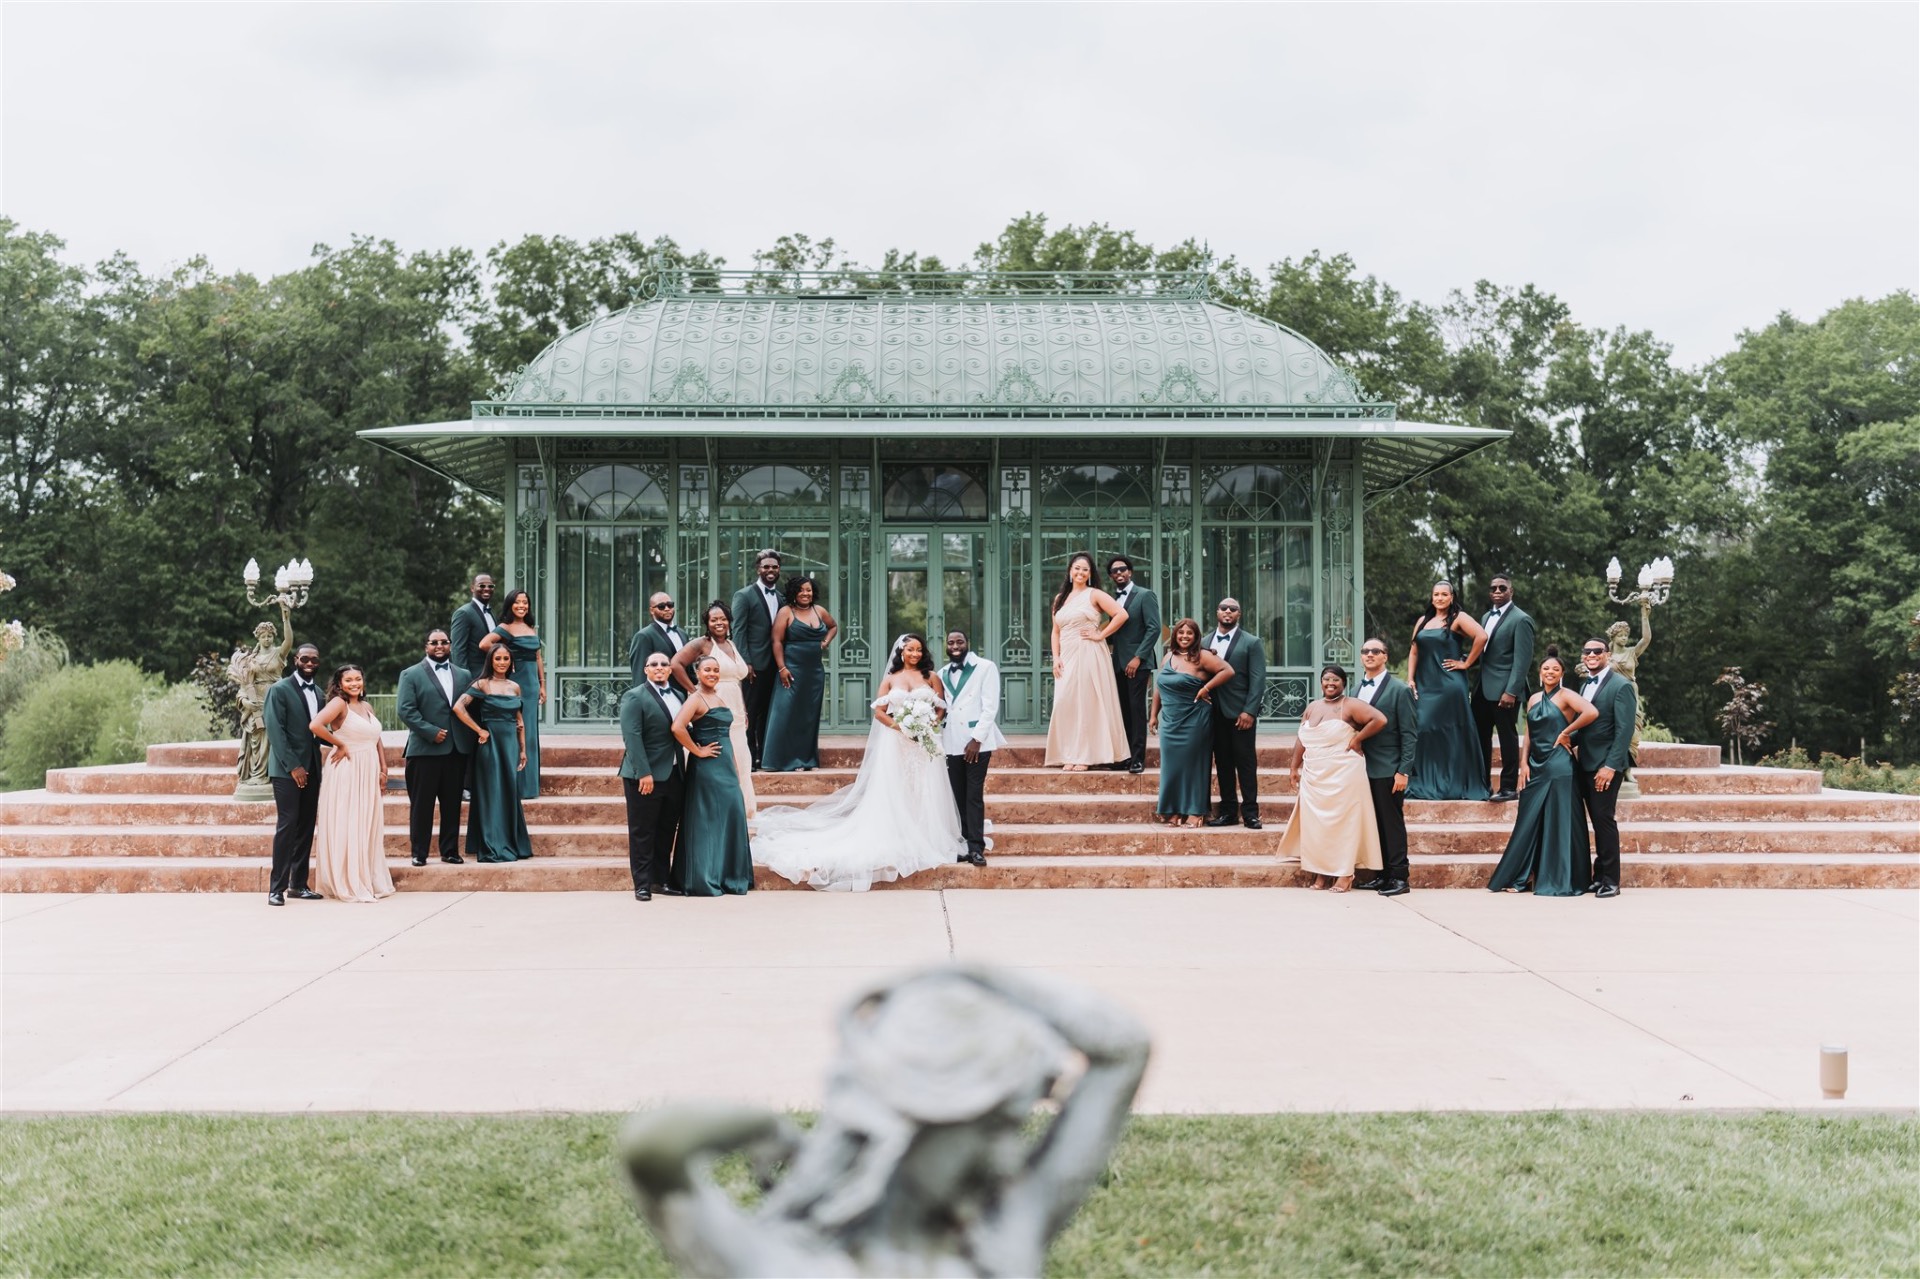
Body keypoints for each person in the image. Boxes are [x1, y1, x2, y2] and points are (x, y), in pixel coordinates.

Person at [620, 966, 1150, 1279]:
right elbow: (653, 1150)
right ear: (909, 1125)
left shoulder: (1000, 1240)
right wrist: (765, 1128)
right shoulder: (794, 1264)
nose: (1009, 1155)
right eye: (991, 1131)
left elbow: (1125, 1048)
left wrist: (966, 972)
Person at [755, 635, 968, 890]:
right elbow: (879, 711)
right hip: (897, 742)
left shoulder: (931, 676)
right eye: (910, 649)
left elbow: (941, 707)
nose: (915, 654)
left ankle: (927, 833)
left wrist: (929, 724)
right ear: (901, 652)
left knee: (924, 787)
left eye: (919, 650)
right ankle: (899, 832)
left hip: (923, 744)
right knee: (897, 787)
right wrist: (899, 726)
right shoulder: (891, 679)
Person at [1488, 649, 1599, 896]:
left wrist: (1567, 731)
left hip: (1560, 765)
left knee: (1561, 820)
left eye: (1555, 670)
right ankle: (1522, 876)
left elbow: (1591, 712)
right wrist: (1523, 763)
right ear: (1540, 673)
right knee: (1528, 820)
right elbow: (1528, 732)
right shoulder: (1533, 699)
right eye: (1546, 669)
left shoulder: (1567, 695)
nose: (1550, 672)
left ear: (1562, 674)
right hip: (1535, 766)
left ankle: (1563, 878)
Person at [1277, 665, 1386, 891]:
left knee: (1342, 824)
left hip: (1344, 773)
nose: (1330, 683)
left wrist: (1357, 740)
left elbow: (1379, 720)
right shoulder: (1312, 707)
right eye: (1326, 679)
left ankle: (1345, 874)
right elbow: (1301, 738)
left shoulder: (1350, 705)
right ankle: (1322, 873)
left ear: (1343, 683)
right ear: (1321, 682)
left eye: (1335, 680)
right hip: (1314, 774)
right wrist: (1293, 766)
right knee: (1317, 826)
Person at [307, 664, 395, 902]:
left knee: (367, 822)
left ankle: (367, 875)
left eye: (358, 679)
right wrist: (341, 744)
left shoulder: (366, 706)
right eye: (349, 680)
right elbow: (315, 725)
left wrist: (384, 767)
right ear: (340, 684)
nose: (355, 684)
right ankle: (348, 879)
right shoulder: (338, 704)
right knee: (350, 821)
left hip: (369, 768)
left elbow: (374, 737)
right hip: (347, 768)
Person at [669, 654, 754, 896]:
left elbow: (726, 738)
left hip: (726, 766)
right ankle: (704, 876)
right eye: (707, 669)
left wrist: (736, 767)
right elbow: (677, 727)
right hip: (708, 769)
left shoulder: (717, 696)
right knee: (708, 819)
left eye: (716, 670)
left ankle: (729, 874)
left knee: (733, 813)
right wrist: (697, 750)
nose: (712, 674)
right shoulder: (695, 699)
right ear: (697, 672)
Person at [1043, 551, 1129, 772]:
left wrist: (1101, 635)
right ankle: (1069, 753)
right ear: (1070, 571)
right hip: (1067, 655)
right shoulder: (1059, 599)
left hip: (1088, 652)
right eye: (1077, 568)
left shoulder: (1095, 594)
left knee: (1086, 704)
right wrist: (1056, 657)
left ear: (1090, 574)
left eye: (1085, 569)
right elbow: (1055, 632)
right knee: (1066, 703)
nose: (1080, 572)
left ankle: (1085, 756)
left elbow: (1121, 615)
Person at [670, 602, 758, 817]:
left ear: (729, 621)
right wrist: (694, 691)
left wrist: (744, 710)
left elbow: (736, 681)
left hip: (735, 709)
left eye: (723, 619)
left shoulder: (731, 643)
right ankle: (715, 811)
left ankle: (742, 812)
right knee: (721, 761)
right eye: (714, 620)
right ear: (707, 624)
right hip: (712, 708)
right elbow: (675, 664)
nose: (719, 623)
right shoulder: (703, 644)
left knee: (742, 761)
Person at [1405, 581, 1491, 801]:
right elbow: (1414, 651)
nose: (1440, 598)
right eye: (1436, 594)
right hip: (1425, 683)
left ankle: (1452, 781)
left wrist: (1466, 663)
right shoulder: (1423, 621)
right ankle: (1424, 780)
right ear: (1432, 597)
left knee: (1449, 730)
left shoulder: (1458, 618)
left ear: (1452, 597)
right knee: (1423, 727)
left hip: (1449, 684)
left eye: (1444, 594)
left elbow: (1481, 636)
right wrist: (1410, 678)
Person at [396, 629, 469, 867]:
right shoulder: (410, 674)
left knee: (452, 805)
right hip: (424, 751)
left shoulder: (464, 674)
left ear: (450, 645)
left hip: (456, 750)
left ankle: (449, 850)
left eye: (444, 642)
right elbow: (406, 710)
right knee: (422, 805)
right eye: (434, 642)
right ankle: (419, 852)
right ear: (426, 646)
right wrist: (430, 732)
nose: (440, 646)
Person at [454, 645, 534, 863]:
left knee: (509, 790)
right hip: (490, 744)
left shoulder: (515, 687)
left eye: (506, 658)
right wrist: (479, 729)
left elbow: (519, 720)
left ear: (510, 661)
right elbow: (458, 708)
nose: (502, 662)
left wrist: (523, 749)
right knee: (491, 793)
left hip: (510, 745)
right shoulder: (482, 684)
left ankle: (512, 842)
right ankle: (493, 845)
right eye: (497, 658)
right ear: (491, 660)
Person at [1149, 619, 1232, 827]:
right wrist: (1153, 716)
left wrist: (1206, 688)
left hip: (1195, 719)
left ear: (1196, 637)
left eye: (1190, 633)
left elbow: (1228, 671)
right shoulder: (1168, 656)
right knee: (1172, 767)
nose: (1185, 636)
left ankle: (1196, 811)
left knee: (1195, 766)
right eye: (1180, 633)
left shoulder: (1202, 656)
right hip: (1169, 721)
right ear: (1175, 635)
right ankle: (1174, 810)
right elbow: (1159, 688)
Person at [1351, 637, 1417, 896]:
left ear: (1385, 656)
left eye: (1375, 651)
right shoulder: (1356, 689)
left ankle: (1400, 877)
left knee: (1391, 823)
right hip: (1361, 769)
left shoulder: (1400, 690)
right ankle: (1382, 875)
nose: (1369, 655)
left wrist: (1403, 771)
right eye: (1365, 651)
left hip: (1389, 769)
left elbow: (1410, 734)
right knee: (1374, 824)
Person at [263, 644, 326, 906]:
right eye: (304, 659)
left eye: (314, 659)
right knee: (288, 826)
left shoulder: (320, 693)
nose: (309, 663)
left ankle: (298, 885)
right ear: (295, 660)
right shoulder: (279, 690)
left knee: (306, 826)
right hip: (286, 770)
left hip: (313, 768)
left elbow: (319, 732)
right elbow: (275, 731)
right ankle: (275, 889)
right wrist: (293, 766)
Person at [1574, 635, 1637, 899]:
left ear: (1607, 655)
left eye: (1597, 651)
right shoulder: (1583, 686)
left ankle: (1611, 880)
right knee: (1596, 821)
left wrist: (1611, 766)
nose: (1591, 655)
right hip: (1585, 763)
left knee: (1604, 820)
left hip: (1605, 766)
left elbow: (1624, 731)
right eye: (1587, 651)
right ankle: (1598, 876)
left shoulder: (1621, 686)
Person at [620, 652, 685, 902]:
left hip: (674, 773)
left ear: (670, 670)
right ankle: (642, 884)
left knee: (666, 830)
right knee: (642, 831)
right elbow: (632, 737)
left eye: (664, 664)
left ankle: (661, 880)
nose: (659, 668)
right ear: (646, 669)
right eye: (654, 664)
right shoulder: (634, 696)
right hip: (644, 775)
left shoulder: (679, 696)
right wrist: (643, 773)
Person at [942, 630, 1006, 867]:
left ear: (968, 643)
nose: (955, 645)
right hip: (951, 742)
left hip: (975, 743)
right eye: (950, 642)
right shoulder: (942, 673)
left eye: (959, 641)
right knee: (957, 796)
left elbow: (990, 707)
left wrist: (976, 739)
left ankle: (976, 847)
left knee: (973, 795)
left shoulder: (985, 668)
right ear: (946, 646)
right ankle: (962, 846)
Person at [761, 576, 838, 772]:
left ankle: (806, 760)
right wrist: (782, 668)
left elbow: (834, 626)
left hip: (814, 673)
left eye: (809, 590)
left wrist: (825, 642)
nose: (806, 593)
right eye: (801, 590)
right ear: (794, 592)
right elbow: (776, 641)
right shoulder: (786, 612)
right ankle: (778, 761)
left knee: (808, 717)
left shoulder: (819, 611)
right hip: (792, 670)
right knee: (785, 715)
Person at [1204, 598, 1268, 829]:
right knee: (1222, 763)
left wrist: (1249, 711)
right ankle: (1228, 811)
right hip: (1212, 713)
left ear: (1239, 614)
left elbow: (1258, 679)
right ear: (1217, 612)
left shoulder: (1252, 642)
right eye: (1224, 608)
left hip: (1240, 713)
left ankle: (1250, 812)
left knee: (1246, 763)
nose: (1228, 611)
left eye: (1233, 609)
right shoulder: (1204, 641)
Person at [1473, 574, 1536, 802]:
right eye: (1493, 588)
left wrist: (1511, 691)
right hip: (1482, 688)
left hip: (1505, 691)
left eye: (1502, 588)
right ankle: (1482, 785)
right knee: (1480, 737)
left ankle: (1509, 787)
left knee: (1507, 737)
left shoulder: (1521, 620)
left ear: (1511, 591)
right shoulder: (1484, 617)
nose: (1497, 591)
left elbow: (1522, 660)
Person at [478, 589, 544, 799]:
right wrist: (507, 657)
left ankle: (529, 786)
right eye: (517, 602)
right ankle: (513, 785)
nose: (522, 606)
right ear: (510, 605)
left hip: (532, 685)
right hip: (514, 683)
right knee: (515, 730)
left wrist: (543, 684)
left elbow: (538, 657)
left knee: (530, 733)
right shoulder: (505, 628)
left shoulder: (530, 628)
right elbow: (484, 644)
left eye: (525, 602)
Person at [1104, 555, 1161, 775]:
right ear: (1111, 576)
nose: (1119, 573)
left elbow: (1154, 628)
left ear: (1130, 572)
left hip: (1138, 663)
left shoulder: (1145, 596)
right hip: (1118, 663)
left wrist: (1138, 657)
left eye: (1123, 569)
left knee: (1137, 711)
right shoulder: (1111, 600)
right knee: (1123, 711)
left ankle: (1138, 759)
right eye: (1114, 571)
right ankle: (1124, 757)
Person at [729, 549, 784, 769]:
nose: (770, 570)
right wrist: (745, 663)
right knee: (750, 712)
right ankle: (749, 758)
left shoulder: (781, 598)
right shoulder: (744, 595)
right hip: (754, 665)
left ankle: (765, 756)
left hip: (775, 665)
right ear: (758, 569)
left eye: (774, 567)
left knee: (768, 714)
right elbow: (738, 631)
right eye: (766, 566)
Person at [627, 592, 686, 688]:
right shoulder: (644, 636)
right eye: (661, 606)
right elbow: (640, 676)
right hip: (658, 697)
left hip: (683, 697)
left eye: (670, 605)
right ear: (651, 610)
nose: (667, 609)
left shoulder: (683, 634)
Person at [448, 573, 496, 680]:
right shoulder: (463, 613)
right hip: (474, 679)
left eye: (490, 586)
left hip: (492, 677)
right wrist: (464, 679)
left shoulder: (492, 614)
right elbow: (457, 650)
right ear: (472, 588)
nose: (487, 589)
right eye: (481, 585)